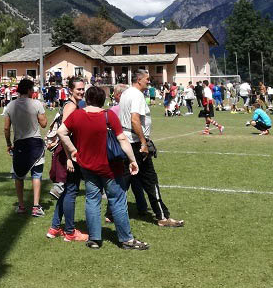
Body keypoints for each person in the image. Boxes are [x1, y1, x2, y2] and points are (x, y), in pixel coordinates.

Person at [56, 85, 148, 250]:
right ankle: (126, 239)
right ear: (102, 100)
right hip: (110, 167)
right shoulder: (108, 115)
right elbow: (122, 140)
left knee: (92, 199)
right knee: (118, 200)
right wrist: (132, 160)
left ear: (87, 98)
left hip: (87, 166)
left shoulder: (77, 115)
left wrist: (73, 150)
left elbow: (61, 132)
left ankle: (94, 239)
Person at [118, 70, 184, 227]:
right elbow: (135, 120)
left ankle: (112, 213)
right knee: (150, 180)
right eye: (147, 79)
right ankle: (162, 216)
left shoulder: (126, 93)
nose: (149, 82)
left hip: (126, 142)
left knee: (125, 180)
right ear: (139, 80)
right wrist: (143, 142)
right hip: (135, 143)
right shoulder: (137, 95)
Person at [46, 76, 88, 242]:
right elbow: (63, 133)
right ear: (71, 90)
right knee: (71, 190)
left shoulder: (73, 104)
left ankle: (55, 228)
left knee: (65, 192)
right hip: (66, 154)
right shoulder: (71, 106)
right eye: (78, 89)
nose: (81, 92)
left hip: (66, 153)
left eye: (83, 89)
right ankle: (70, 232)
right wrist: (70, 158)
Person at [3, 77, 48, 217]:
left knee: (18, 175)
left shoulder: (10, 106)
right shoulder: (36, 104)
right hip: (35, 142)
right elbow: (44, 124)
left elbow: (6, 128)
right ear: (29, 90)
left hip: (19, 143)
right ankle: (35, 206)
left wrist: (9, 144)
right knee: (37, 174)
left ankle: (21, 206)